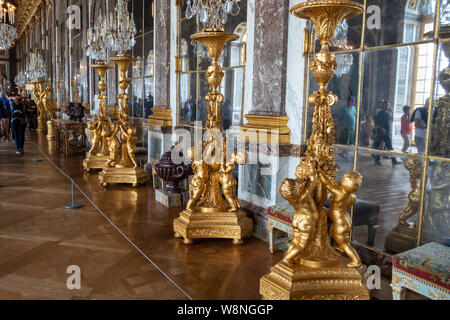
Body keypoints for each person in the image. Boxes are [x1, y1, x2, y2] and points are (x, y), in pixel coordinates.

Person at [372, 100, 401, 166]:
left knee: (390, 147)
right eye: (386, 105)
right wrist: (381, 128)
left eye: (388, 105)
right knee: (377, 147)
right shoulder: (379, 113)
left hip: (387, 133)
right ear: (383, 105)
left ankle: (394, 161)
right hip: (380, 133)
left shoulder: (388, 113)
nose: (387, 106)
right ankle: (377, 161)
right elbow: (376, 122)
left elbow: (389, 121)